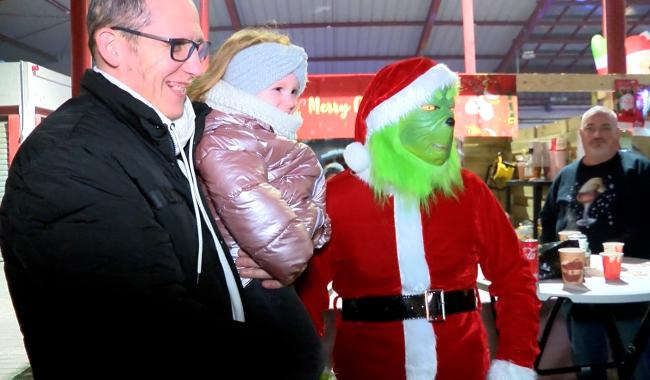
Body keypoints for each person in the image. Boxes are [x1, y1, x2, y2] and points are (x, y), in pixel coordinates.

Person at [0, 0, 249, 378]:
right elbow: (147, 339)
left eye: (199, 47)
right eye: (177, 46)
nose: (198, 67)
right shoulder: (68, 159)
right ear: (113, 46)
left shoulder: (169, 136)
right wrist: (278, 350)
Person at [296, 57, 540, 380]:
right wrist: (304, 368)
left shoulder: (468, 191)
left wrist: (515, 360)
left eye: (449, 108)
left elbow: (515, 277)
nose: (449, 119)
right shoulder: (337, 197)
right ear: (389, 120)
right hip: (368, 366)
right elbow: (307, 294)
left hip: (461, 365)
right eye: (430, 108)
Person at [188, 28, 331, 379]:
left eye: (295, 90)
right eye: (278, 89)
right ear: (243, 87)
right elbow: (289, 248)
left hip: (263, 291)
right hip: (249, 293)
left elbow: (321, 226)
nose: (291, 100)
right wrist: (302, 240)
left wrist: (308, 225)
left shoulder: (260, 139)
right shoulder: (226, 141)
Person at [540, 105, 650, 379]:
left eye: (604, 127)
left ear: (617, 133)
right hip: (580, 288)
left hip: (629, 287)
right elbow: (548, 219)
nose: (596, 134)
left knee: (639, 363)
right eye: (590, 128)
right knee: (588, 364)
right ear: (581, 135)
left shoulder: (639, 168)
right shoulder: (565, 175)